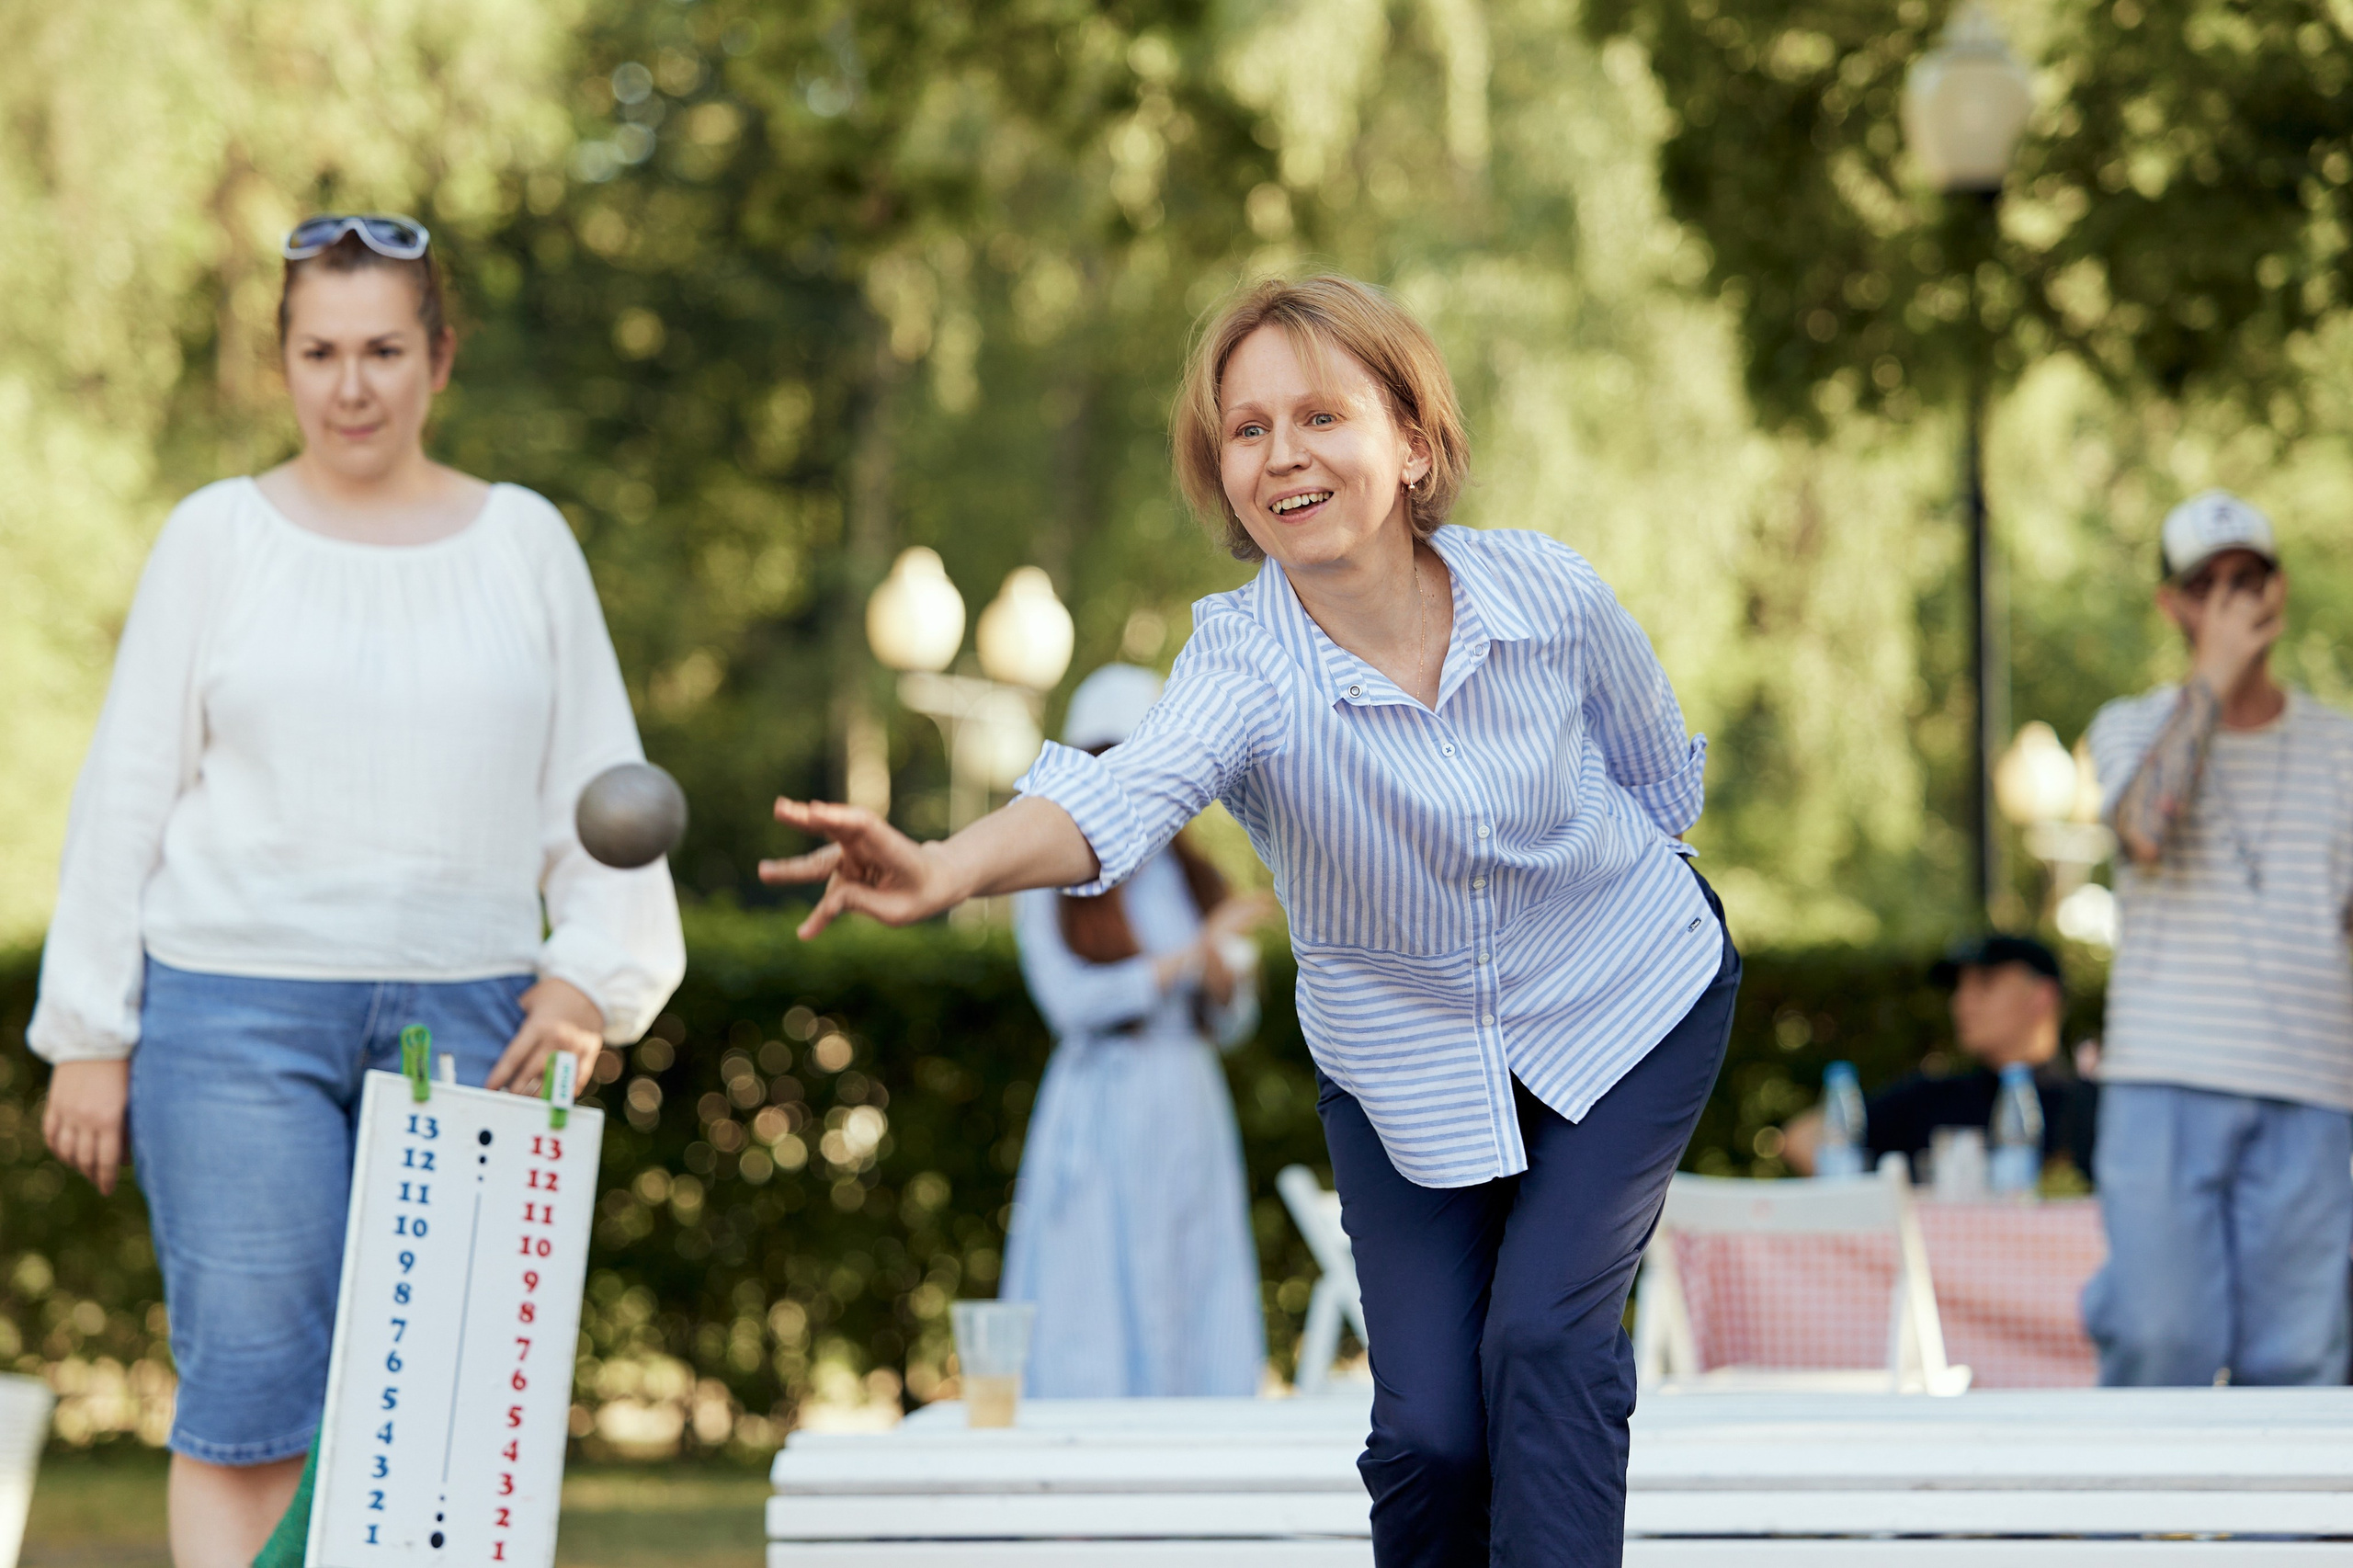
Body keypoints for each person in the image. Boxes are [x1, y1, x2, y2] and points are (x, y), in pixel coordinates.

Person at [761, 274, 1738, 1567]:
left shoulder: (1546, 594)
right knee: (1433, 1433)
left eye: (1321, 416)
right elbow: (1121, 795)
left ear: (1414, 442)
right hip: (1401, 1065)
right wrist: (945, 865)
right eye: (1247, 429)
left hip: (1625, 1008)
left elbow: (1658, 778)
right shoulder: (1243, 663)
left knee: (1546, 1343)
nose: (1283, 454)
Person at [28, 214, 686, 1567]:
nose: (351, 386)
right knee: (253, 1403)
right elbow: (126, 787)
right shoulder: (215, 537)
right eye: (320, 352)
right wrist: (88, 1029)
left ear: (440, 357)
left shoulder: (526, 543)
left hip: (473, 1013)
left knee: (449, 1420)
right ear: (281, 361)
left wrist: (589, 975)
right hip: (232, 1018)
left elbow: (603, 788)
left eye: (383, 349)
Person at [2080, 489, 2353, 1388]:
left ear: (2279, 588)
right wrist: (2213, 679)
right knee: (2158, 1342)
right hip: (2164, 1075)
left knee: (2301, 1362)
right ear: (2174, 604)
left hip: (2312, 1088)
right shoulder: (2129, 724)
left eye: (2250, 577)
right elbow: (2145, 831)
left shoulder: (2342, 746)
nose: (2234, 599)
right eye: (2208, 584)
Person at [1000, 663, 1274, 1398]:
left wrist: (1220, 982)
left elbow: (1233, 1020)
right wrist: (1184, 962)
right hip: (1102, 1098)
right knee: (1094, 1278)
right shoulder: (1049, 878)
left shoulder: (1189, 874)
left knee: (1191, 1267)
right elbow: (1069, 1002)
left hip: (1186, 1095)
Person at [1781, 935, 2097, 1182]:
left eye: (1985, 984)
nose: (1961, 1002)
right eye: (1959, 987)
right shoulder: (1931, 1097)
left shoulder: (2090, 1107)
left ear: (2042, 997)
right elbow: (1802, 1138)